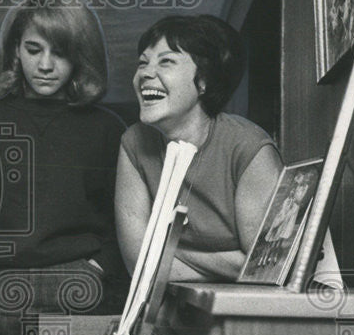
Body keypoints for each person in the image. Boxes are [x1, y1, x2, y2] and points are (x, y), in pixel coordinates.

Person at [0, 0, 127, 335]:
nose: (46, 65)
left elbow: (126, 223)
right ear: (14, 52)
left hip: (77, 291)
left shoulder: (108, 129)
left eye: (61, 52)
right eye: (34, 49)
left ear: (80, 56)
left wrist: (99, 270)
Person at [115, 14, 283, 282]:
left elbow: (263, 267)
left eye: (166, 61)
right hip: (166, 308)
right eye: (143, 63)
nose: (145, 74)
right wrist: (227, 263)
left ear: (203, 81)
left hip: (243, 313)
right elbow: (139, 265)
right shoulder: (134, 143)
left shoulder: (249, 148)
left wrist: (166, 249)